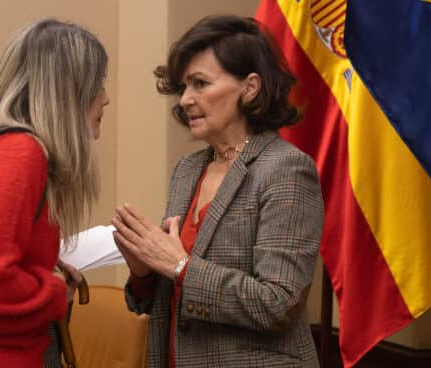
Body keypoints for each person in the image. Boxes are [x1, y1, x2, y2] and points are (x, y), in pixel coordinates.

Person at [111, 15, 323, 367]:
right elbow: (173, 300)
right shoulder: (187, 170)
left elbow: (278, 302)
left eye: (200, 84)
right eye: (183, 87)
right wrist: (145, 272)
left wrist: (178, 265)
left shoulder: (286, 169)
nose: (185, 100)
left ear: (250, 87)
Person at [0, 19, 109, 368]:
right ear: (69, 91)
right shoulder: (19, 152)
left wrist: (39, 267)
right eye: (98, 84)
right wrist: (51, 292)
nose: (105, 98)